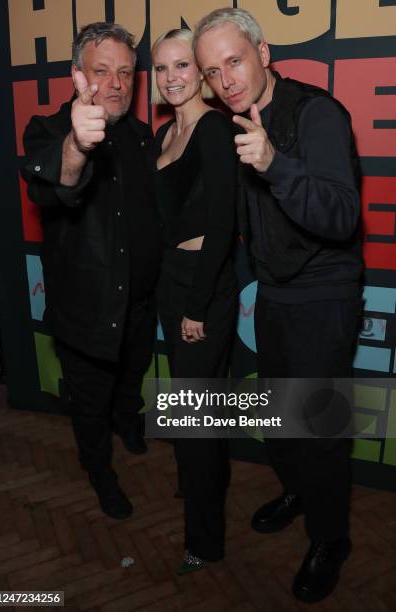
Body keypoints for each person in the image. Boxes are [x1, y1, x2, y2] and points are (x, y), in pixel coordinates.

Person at [194, 8, 362, 603]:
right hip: (273, 294)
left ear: (264, 54)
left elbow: (341, 217)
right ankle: (299, 491)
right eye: (213, 71)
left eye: (235, 61)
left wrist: (272, 163)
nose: (226, 79)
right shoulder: (232, 120)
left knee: (320, 427)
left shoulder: (316, 113)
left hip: (324, 294)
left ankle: (331, 538)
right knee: (282, 419)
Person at [23, 22, 162, 520]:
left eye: (126, 72)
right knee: (90, 402)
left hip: (142, 305)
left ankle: (130, 419)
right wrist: (78, 147)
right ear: (77, 75)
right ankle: (99, 471)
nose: (117, 83)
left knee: (130, 379)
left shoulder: (142, 137)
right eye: (102, 71)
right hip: (86, 314)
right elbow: (50, 182)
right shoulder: (49, 129)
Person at [151, 28, 237, 573]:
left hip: (202, 286)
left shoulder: (214, 129)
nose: (171, 78)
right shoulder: (164, 134)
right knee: (188, 411)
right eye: (161, 69)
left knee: (198, 417)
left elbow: (223, 227)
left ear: (202, 73)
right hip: (170, 281)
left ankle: (204, 541)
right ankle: (197, 485)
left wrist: (197, 307)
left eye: (183, 66)